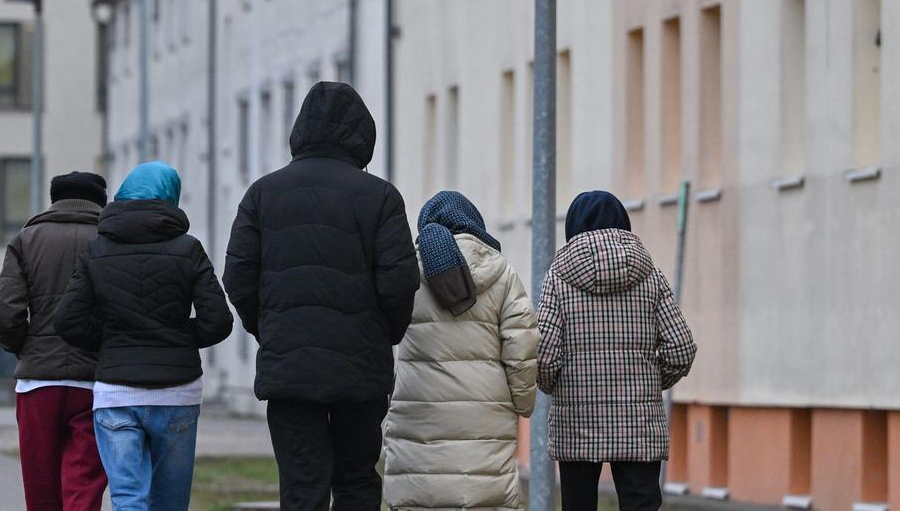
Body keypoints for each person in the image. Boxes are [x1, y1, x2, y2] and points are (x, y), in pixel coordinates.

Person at [224, 81, 419, 511]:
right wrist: (381, 333)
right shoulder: (381, 198)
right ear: (361, 134)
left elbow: (237, 276)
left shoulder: (262, 194)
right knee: (356, 482)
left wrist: (270, 328)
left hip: (289, 369)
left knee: (301, 487)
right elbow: (400, 280)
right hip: (360, 370)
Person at [56, 161, 233, 511]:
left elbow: (67, 320)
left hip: (116, 391)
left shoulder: (97, 248)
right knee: (170, 502)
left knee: (128, 499)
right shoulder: (188, 249)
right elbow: (218, 322)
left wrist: (111, 341)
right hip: (177, 391)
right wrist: (178, 337)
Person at [537, 190, 698, 511]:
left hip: (577, 420)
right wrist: (650, 381)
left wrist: (555, 385)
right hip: (639, 423)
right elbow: (681, 348)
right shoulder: (649, 274)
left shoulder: (557, 277)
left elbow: (543, 355)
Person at [383, 191, 539, 510]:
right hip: (486, 414)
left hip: (418, 409)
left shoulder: (408, 270)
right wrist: (524, 402)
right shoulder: (502, 273)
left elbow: (380, 332)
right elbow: (521, 344)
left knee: (419, 497)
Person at [0, 171, 110, 511]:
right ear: (100, 200)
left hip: (38, 382)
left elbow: (5, 307)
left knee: (41, 484)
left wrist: (23, 346)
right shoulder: (112, 239)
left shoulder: (26, 239)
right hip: (95, 379)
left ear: (54, 199)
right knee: (84, 483)